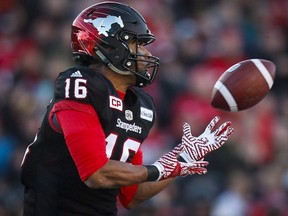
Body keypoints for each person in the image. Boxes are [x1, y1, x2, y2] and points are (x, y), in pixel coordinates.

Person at [20, 2, 234, 215]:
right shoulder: (81, 87)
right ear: (109, 47)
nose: (146, 53)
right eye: (136, 44)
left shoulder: (137, 105)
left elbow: (133, 194)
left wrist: (183, 158)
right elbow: (97, 173)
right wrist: (159, 168)